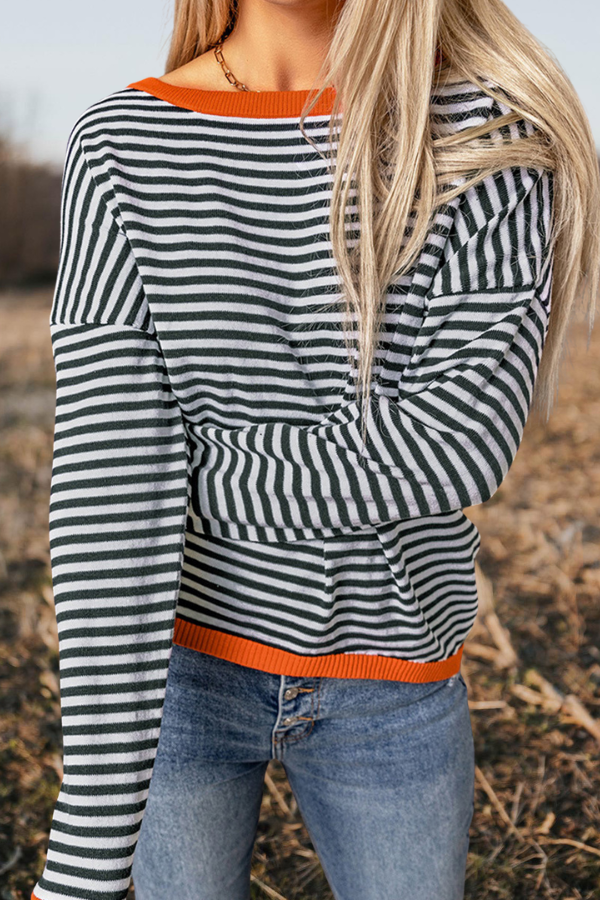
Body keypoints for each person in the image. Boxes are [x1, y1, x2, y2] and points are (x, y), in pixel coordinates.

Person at [32, 1, 599, 899]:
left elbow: (455, 446)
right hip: (178, 674)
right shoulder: (123, 146)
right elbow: (106, 503)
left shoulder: (486, 134)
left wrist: (173, 472)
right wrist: (86, 856)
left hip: (393, 682)